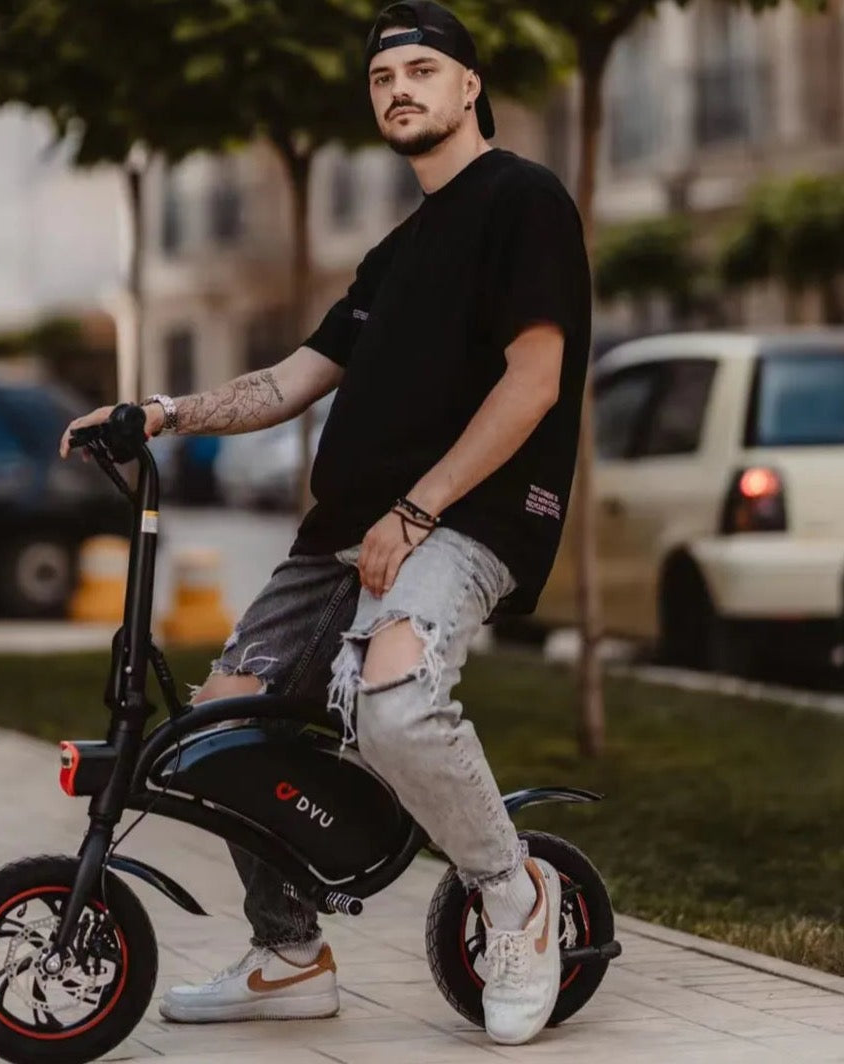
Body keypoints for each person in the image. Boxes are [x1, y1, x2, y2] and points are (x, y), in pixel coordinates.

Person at [60, 0, 590, 1046]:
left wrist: (416, 507)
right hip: (339, 533)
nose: (398, 87)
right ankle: (288, 952)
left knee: (394, 703)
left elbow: (534, 383)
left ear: (468, 86)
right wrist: (159, 413)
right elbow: (287, 380)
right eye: (381, 76)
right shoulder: (395, 252)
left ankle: (514, 898)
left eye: (421, 68)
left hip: (466, 520)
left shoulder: (522, 202)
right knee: (217, 728)